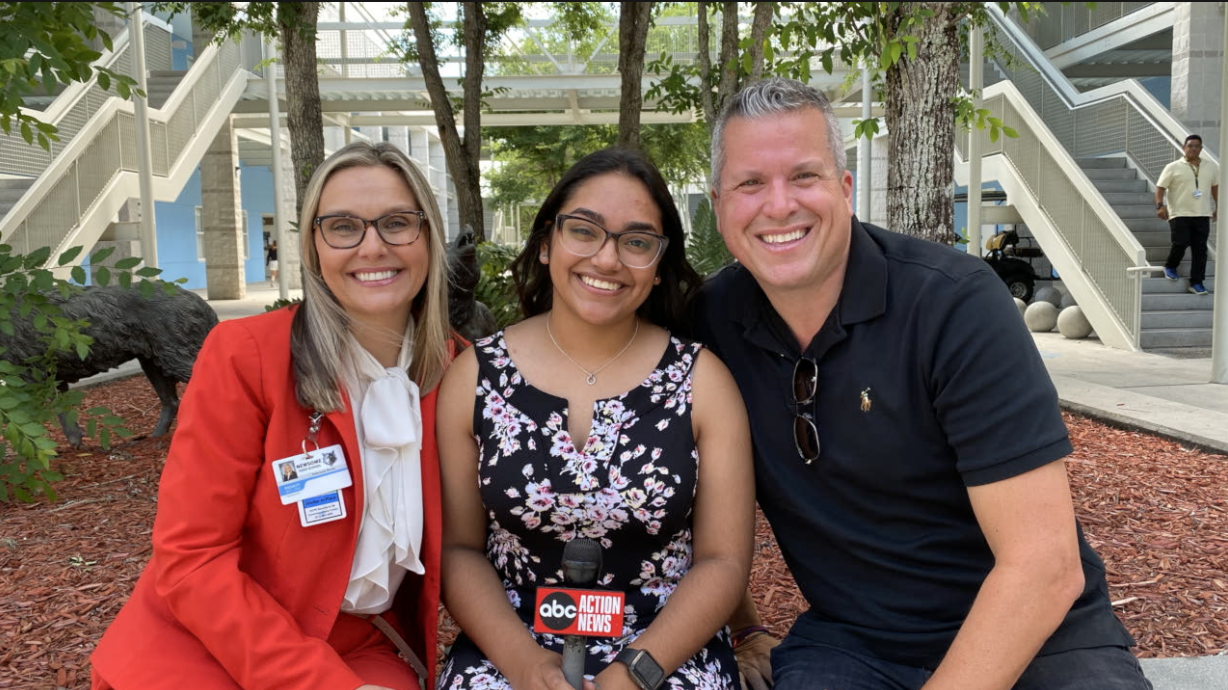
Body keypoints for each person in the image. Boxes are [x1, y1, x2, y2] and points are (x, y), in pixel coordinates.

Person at [695, 78, 1151, 690]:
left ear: (845, 189)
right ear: (720, 203)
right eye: (751, 183)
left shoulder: (953, 304)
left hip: (1041, 635)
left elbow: (1043, 567)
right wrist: (745, 627)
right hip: (853, 643)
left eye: (805, 176)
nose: (779, 205)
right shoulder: (709, 324)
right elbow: (669, 508)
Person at [90, 141, 457, 690]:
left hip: (354, 643)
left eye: (398, 223)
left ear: (428, 236)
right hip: (205, 645)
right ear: (313, 245)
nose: (373, 246)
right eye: (342, 227)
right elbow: (192, 559)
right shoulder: (246, 355)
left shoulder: (463, 371)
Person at [435, 148, 754, 690]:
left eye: (636, 242)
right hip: (510, 645)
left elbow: (723, 562)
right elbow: (459, 549)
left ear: (658, 269)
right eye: (584, 231)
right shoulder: (475, 376)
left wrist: (633, 674)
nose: (607, 260)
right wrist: (525, 666)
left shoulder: (702, 382)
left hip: (666, 651)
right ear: (545, 244)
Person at [1155, 134, 1218, 295]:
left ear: (1201, 149)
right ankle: (1170, 266)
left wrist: (1219, 207)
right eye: (1190, 146)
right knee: (1181, 243)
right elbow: (1160, 187)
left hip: (1202, 214)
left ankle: (1196, 282)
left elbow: (1215, 187)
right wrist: (1160, 206)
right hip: (1179, 213)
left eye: (1197, 146)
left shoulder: (1211, 167)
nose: (1193, 148)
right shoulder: (1173, 167)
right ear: (1184, 148)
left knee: (1200, 250)